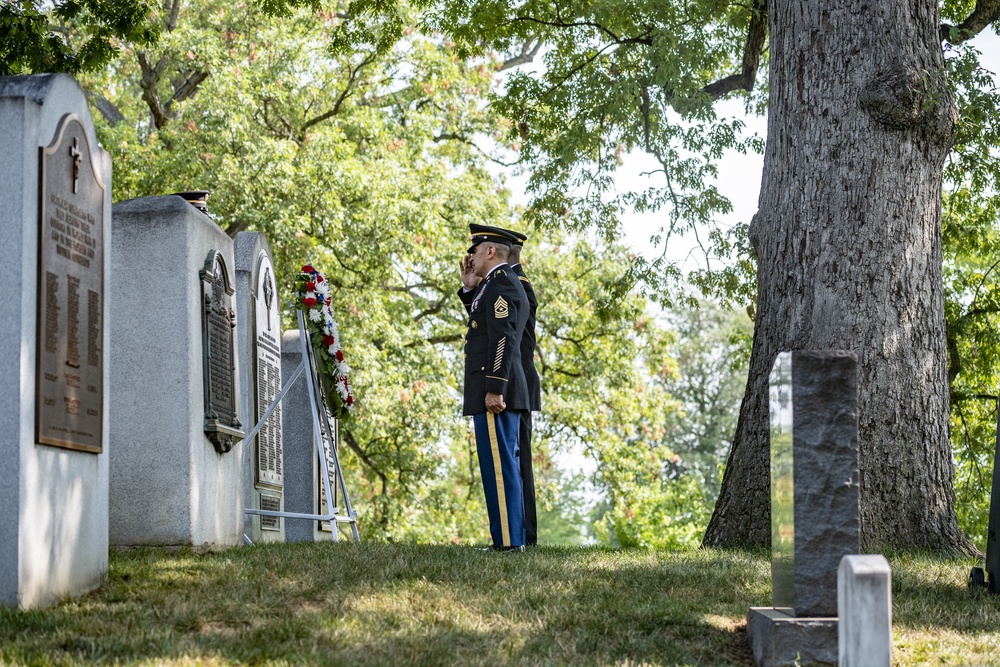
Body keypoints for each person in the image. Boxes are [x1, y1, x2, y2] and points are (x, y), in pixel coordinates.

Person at [458, 223, 530, 551]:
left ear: (489, 251)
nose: (469, 256)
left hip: (494, 391)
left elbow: (503, 337)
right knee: (497, 467)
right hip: (491, 388)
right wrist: (470, 289)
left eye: (474, 249)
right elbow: (483, 326)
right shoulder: (491, 286)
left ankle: (508, 544)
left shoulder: (501, 285)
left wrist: (495, 387)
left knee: (500, 469)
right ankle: (507, 540)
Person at [507, 231, 541, 547]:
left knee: (520, 463)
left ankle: (526, 535)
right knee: (513, 461)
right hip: (515, 384)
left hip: (519, 386)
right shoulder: (510, 283)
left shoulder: (519, 285)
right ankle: (515, 533)